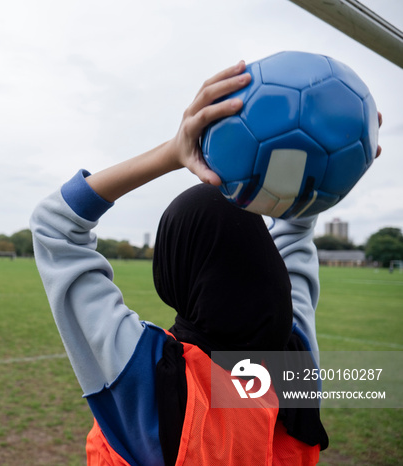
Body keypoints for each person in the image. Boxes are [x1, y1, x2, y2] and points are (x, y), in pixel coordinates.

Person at [30, 61, 382, 465]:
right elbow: (295, 234)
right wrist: (332, 157)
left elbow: (53, 225)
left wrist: (173, 151)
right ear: (263, 257)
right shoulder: (294, 366)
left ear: (175, 267)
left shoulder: (149, 377)